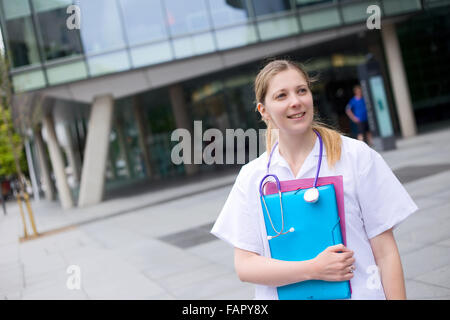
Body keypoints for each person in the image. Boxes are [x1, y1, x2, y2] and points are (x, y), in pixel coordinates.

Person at [211, 60, 418, 300]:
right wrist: (313, 269)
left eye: (302, 90)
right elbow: (245, 266)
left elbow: (385, 253)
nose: (295, 101)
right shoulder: (252, 177)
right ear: (263, 111)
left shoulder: (356, 157)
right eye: (281, 96)